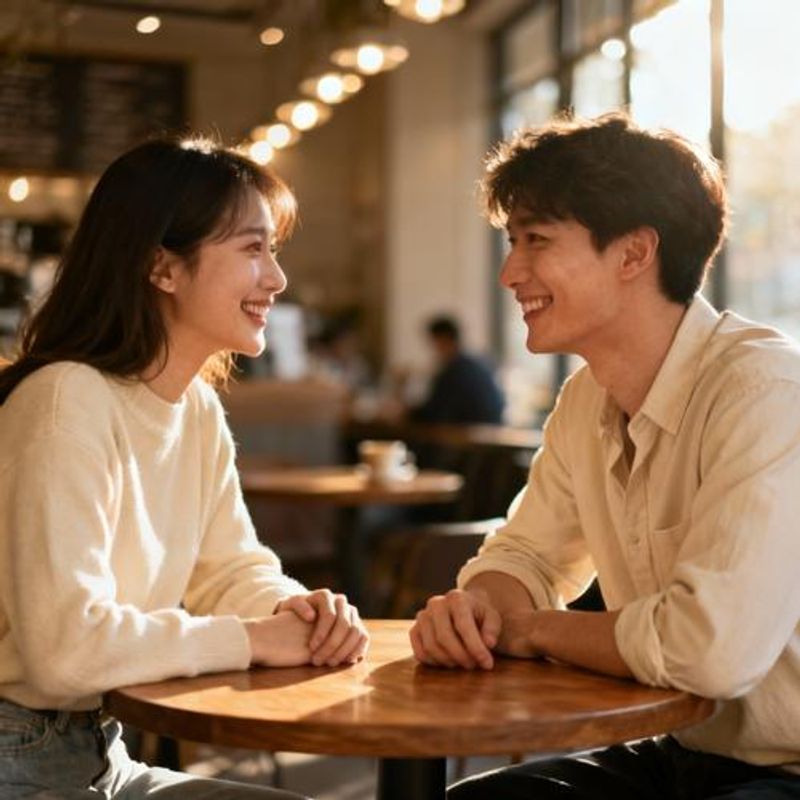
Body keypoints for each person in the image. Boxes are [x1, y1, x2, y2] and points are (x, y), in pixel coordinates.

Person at [410, 112, 800, 798]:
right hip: (680, 754)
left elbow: (708, 649)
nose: (509, 272)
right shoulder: (587, 399)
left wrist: (534, 631)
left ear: (632, 254)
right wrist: (479, 610)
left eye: (536, 240)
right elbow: (526, 556)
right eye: (511, 241)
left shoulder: (766, 393)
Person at [0, 137, 369, 799]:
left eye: (273, 250)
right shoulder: (65, 401)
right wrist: (254, 640)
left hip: (98, 755)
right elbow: (64, 654)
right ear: (162, 268)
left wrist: (295, 612)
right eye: (253, 249)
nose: (277, 280)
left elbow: (228, 565)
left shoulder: (193, 406)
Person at [410, 315, 505, 426]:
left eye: (434, 343)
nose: (434, 350)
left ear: (442, 340)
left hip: (471, 437)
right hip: (490, 430)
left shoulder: (455, 371)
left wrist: (406, 413)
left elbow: (434, 412)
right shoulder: (474, 364)